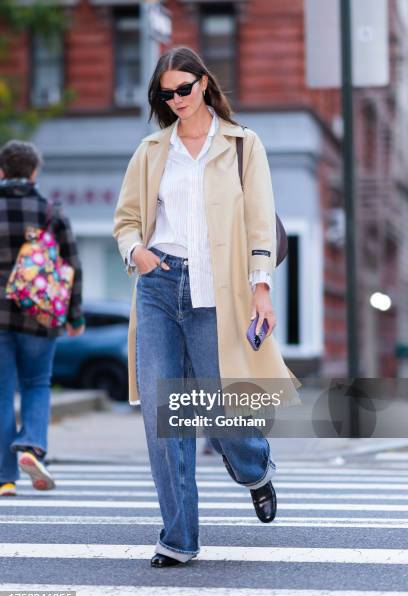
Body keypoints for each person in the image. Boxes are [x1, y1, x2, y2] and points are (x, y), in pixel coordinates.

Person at [113, 47, 301, 567]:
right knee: (164, 415)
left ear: (203, 83)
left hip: (219, 290)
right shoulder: (152, 150)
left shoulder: (243, 145)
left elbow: (261, 220)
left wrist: (261, 287)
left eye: (183, 89)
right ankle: (178, 538)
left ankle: (254, 468)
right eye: (166, 93)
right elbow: (126, 219)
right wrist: (137, 252)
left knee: (225, 415)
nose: (176, 100)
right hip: (158, 286)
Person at [0, 140, 85, 496]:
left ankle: (5, 479)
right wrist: (75, 316)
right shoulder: (51, 211)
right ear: (34, 172)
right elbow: (72, 265)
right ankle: (32, 446)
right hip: (41, 315)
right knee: (37, 383)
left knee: (2, 393)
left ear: (2, 171)